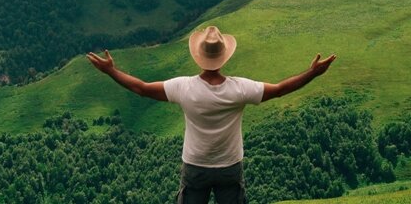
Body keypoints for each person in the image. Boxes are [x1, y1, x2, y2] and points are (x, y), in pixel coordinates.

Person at [87, 25, 336, 204]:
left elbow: (140, 88)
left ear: (199, 57)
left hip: (195, 166)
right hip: (229, 166)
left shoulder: (183, 87)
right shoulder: (240, 89)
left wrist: (111, 71)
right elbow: (280, 90)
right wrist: (312, 73)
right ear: (223, 56)